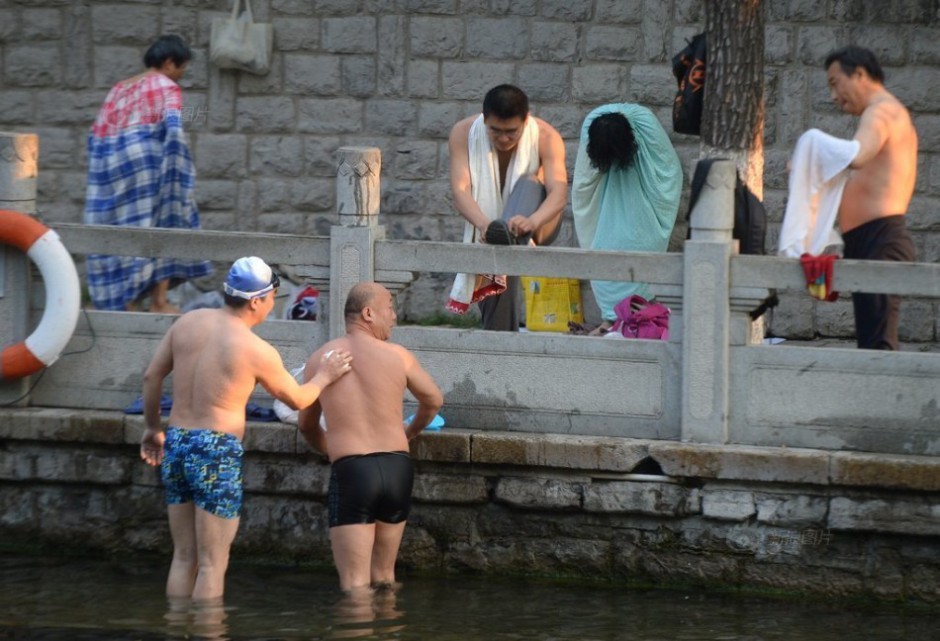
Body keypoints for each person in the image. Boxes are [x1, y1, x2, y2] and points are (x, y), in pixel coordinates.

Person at [138, 256, 353, 601]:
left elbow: (151, 378)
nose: (271, 306)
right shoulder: (255, 349)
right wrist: (325, 376)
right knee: (211, 563)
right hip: (215, 450)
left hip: (175, 441)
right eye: (271, 299)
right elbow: (298, 400)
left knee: (183, 557)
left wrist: (152, 428)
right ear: (256, 300)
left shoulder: (187, 323)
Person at [298, 282, 443, 593]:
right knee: (385, 578)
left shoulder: (322, 359)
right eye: (389, 306)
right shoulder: (398, 356)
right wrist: (410, 432)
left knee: (354, 586)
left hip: (353, 471)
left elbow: (307, 425)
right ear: (368, 313)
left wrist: (330, 448)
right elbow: (433, 401)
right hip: (397, 468)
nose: (394, 316)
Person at [84, 34, 212, 313]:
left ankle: (125, 300)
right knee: (164, 225)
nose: (181, 75)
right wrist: (181, 171)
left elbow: (96, 134)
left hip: (112, 168)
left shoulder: (119, 88)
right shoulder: (166, 86)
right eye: (181, 68)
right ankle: (158, 301)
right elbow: (173, 129)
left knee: (124, 231)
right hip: (149, 165)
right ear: (169, 62)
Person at [446, 84, 568, 331]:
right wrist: (485, 225)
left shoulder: (546, 136)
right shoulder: (463, 132)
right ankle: (498, 342)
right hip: (491, 227)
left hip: (538, 222)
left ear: (526, 120)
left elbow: (559, 193)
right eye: (495, 131)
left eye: (511, 132)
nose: (503, 139)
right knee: (499, 252)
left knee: (529, 183)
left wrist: (532, 221)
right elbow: (460, 190)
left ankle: (504, 235)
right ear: (484, 119)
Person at [824, 46, 918, 350]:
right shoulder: (884, 112)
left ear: (860, 74)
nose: (833, 96)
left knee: (877, 347)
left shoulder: (882, 112)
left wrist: (814, 153)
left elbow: (859, 154)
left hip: (880, 239)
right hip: (870, 240)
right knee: (872, 343)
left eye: (835, 82)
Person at [571, 104, 683, 334]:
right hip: (604, 207)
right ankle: (612, 320)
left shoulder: (645, 123)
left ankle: (634, 320)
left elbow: (668, 169)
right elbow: (586, 176)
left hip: (643, 210)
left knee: (639, 262)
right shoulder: (591, 124)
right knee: (602, 259)